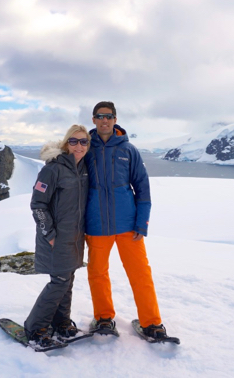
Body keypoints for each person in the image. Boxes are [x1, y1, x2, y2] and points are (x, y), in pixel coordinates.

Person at [84, 101, 170, 339]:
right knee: (97, 273)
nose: (105, 120)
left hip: (128, 225)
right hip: (96, 225)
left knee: (140, 273)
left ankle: (151, 323)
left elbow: (142, 187)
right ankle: (103, 319)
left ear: (115, 119)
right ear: (93, 120)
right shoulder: (85, 148)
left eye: (109, 116)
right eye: (100, 116)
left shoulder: (128, 149)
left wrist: (142, 223)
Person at [24, 124, 90, 347]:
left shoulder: (83, 169)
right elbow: (37, 204)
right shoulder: (52, 169)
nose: (79, 146)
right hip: (56, 238)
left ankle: (61, 322)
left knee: (68, 279)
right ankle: (35, 327)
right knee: (59, 281)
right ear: (65, 143)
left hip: (75, 238)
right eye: (74, 141)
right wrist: (49, 233)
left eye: (83, 141)